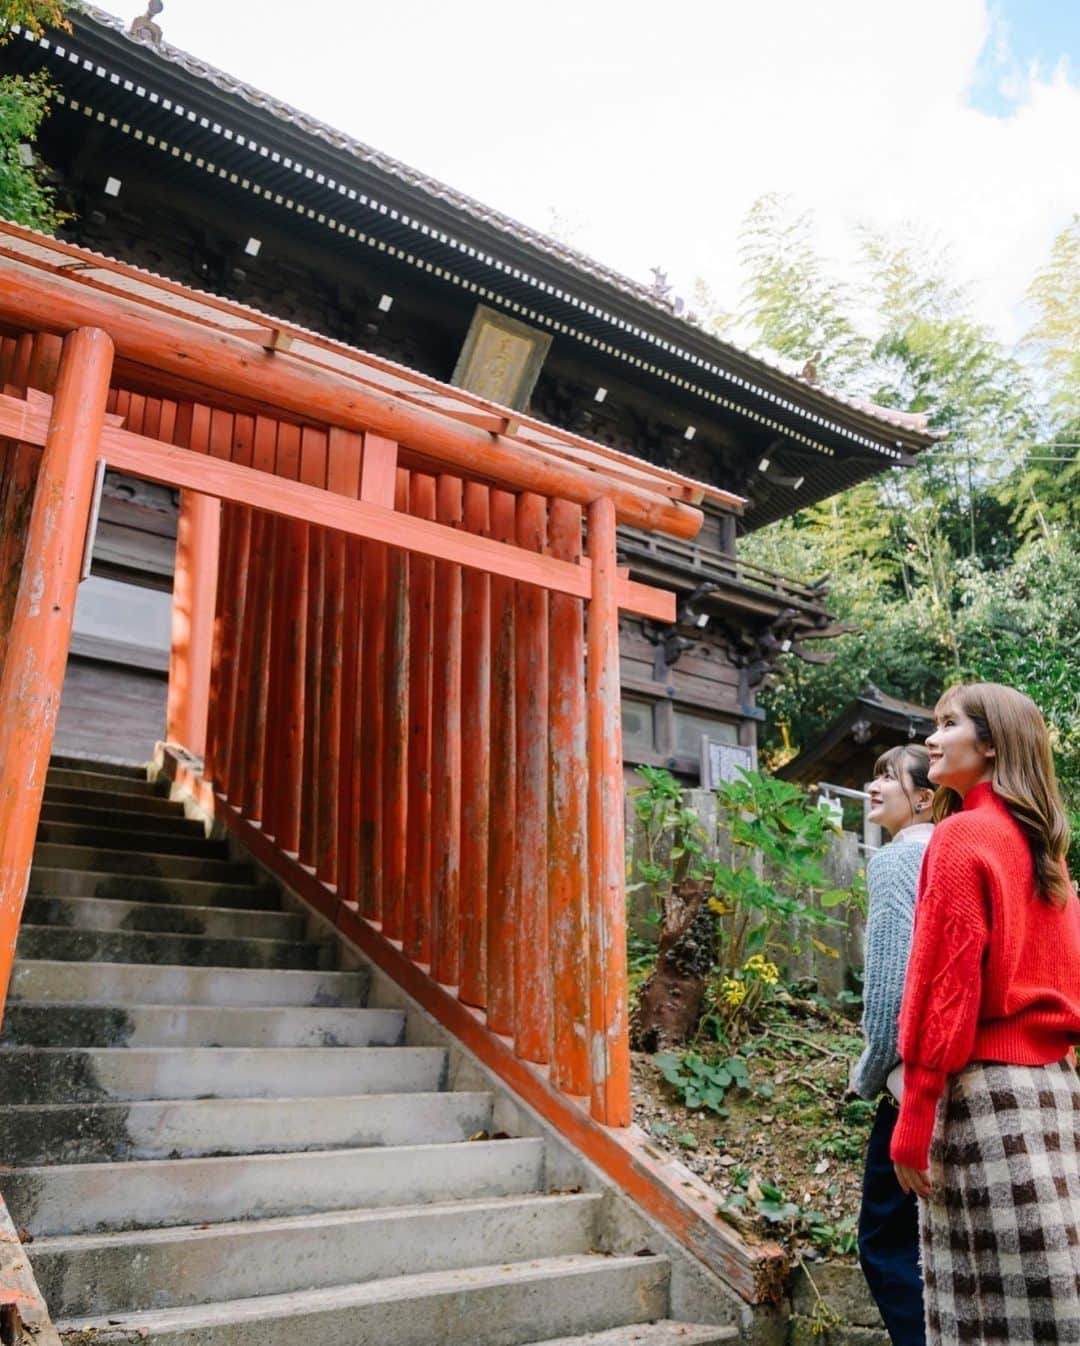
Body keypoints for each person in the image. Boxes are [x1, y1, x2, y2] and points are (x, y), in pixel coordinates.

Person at [891, 682, 1080, 1346]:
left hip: (984, 1098)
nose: (932, 739)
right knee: (1056, 1302)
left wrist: (915, 1110)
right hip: (1056, 1096)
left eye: (947, 724)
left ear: (992, 742)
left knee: (982, 1315)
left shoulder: (961, 836)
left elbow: (944, 988)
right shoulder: (1044, 850)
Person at [853, 744, 935, 1346]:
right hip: (967, 1076)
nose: (874, 786)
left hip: (910, 1085)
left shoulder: (895, 862)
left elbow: (887, 995)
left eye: (889, 777)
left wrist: (867, 1073)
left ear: (925, 797)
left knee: (885, 1244)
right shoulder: (956, 852)